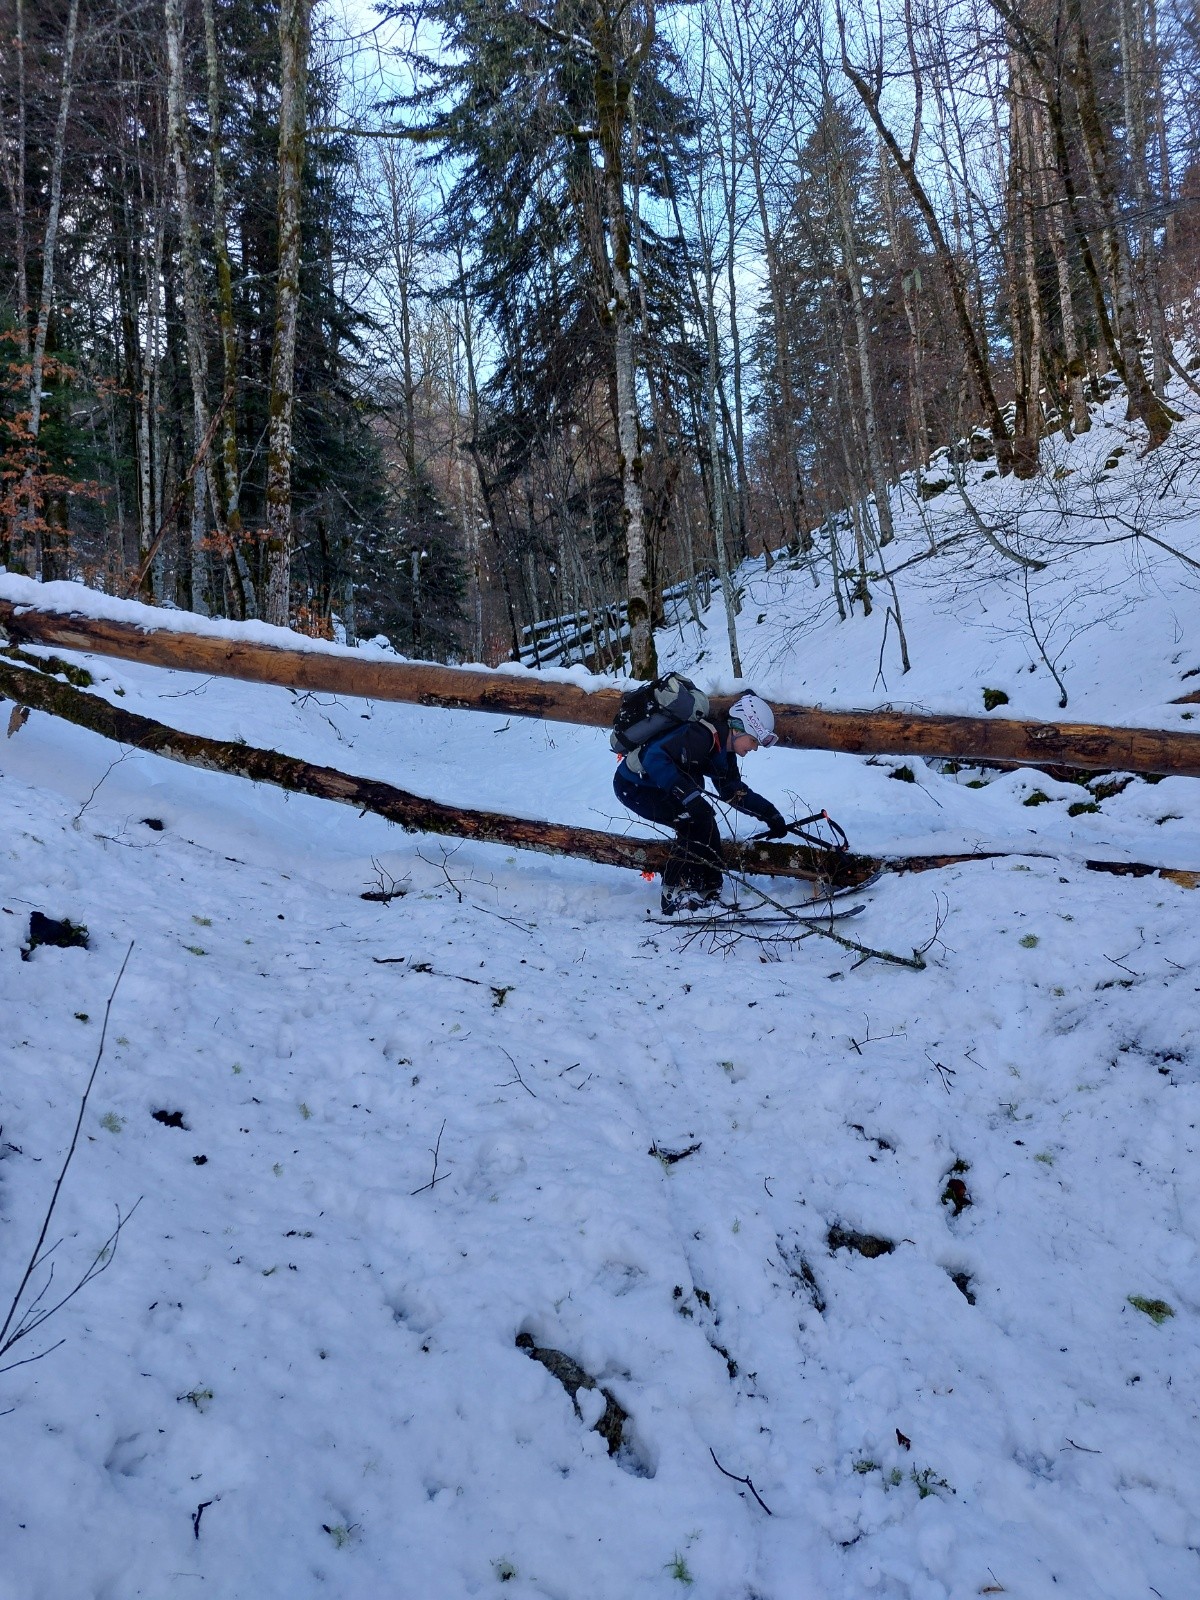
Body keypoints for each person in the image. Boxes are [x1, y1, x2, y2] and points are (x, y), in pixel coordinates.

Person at [613, 691, 789, 915]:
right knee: (691, 823)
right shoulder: (700, 736)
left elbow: (732, 791)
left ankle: (709, 890)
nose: (754, 747)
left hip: (660, 787)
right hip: (635, 787)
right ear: (737, 728)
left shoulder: (723, 752)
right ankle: (673, 891)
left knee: (705, 822)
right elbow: (654, 758)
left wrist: (769, 814)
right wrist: (688, 797)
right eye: (753, 740)